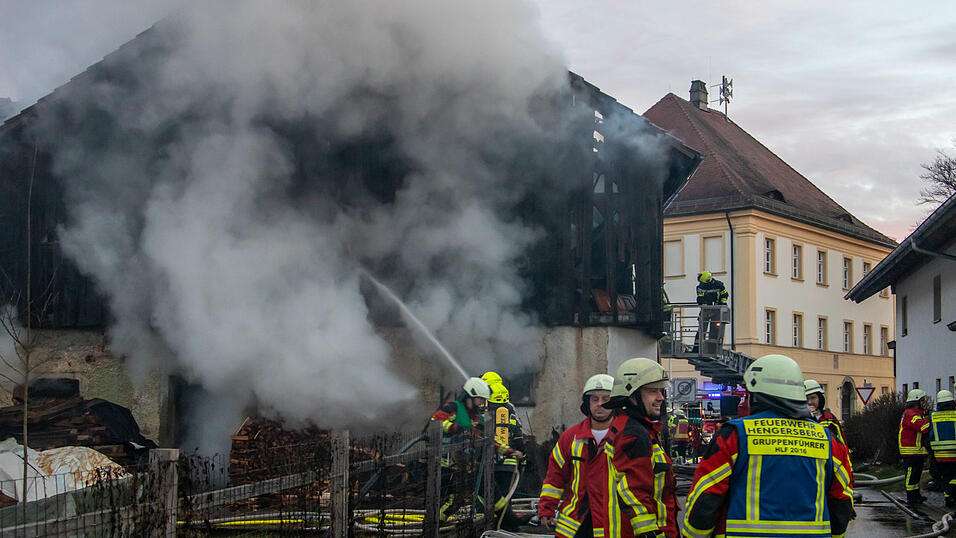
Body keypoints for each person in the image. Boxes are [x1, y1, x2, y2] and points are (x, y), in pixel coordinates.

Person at [681, 354, 855, 538]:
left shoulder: (734, 436)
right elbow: (842, 503)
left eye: (748, 395)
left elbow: (705, 499)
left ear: (757, 397)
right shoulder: (828, 440)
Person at [600, 358, 679, 537]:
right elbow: (634, 491)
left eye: (661, 390)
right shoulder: (634, 434)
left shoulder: (632, 427)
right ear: (632, 396)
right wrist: (648, 533)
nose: (660, 397)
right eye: (652, 391)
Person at [538, 374, 615, 537]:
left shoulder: (624, 437)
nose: (600, 404)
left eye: (606, 399)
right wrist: (547, 508)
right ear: (587, 403)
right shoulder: (570, 437)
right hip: (574, 522)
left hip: (612, 521)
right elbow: (554, 476)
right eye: (594, 399)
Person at [431, 377, 492, 520]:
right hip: (443, 464)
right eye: (480, 399)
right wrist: (453, 427)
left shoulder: (476, 416)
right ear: (470, 395)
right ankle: (431, 525)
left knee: (457, 500)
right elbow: (435, 421)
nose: (482, 402)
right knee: (443, 499)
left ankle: (436, 523)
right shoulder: (452, 408)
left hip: (462, 465)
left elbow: (483, 434)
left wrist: (506, 450)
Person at [487, 381, 526, 531]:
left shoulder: (485, 410)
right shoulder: (510, 410)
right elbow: (518, 436)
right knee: (506, 497)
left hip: (490, 462)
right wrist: (522, 453)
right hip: (509, 463)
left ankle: (494, 525)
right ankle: (506, 527)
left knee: (490, 496)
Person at [899, 388, 931, 505]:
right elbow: (922, 428)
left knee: (916, 474)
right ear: (916, 401)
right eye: (922, 400)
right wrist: (931, 419)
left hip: (916, 450)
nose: (924, 403)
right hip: (910, 450)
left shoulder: (916, 413)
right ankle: (911, 497)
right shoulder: (911, 414)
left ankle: (916, 495)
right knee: (911, 474)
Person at [929, 389, 956, 507]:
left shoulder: (933, 415)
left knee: (946, 476)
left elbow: (930, 434)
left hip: (939, 454)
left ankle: (948, 498)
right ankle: (950, 491)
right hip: (954, 452)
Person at [805, 380, 848, 446]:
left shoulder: (830, 419)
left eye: (813, 398)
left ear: (820, 399)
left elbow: (842, 444)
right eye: (806, 398)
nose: (809, 402)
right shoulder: (798, 419)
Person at [695, 271, 728, 353]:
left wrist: (722, 303)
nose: (701, 283)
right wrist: (704, 305)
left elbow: (724, 295)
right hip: (706, 310)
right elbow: (700, 299)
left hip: (717, 310)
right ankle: (697, 348)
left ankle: (712, 349)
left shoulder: (719, 285)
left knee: (714, 330)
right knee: (702, 329)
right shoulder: (700, 287)